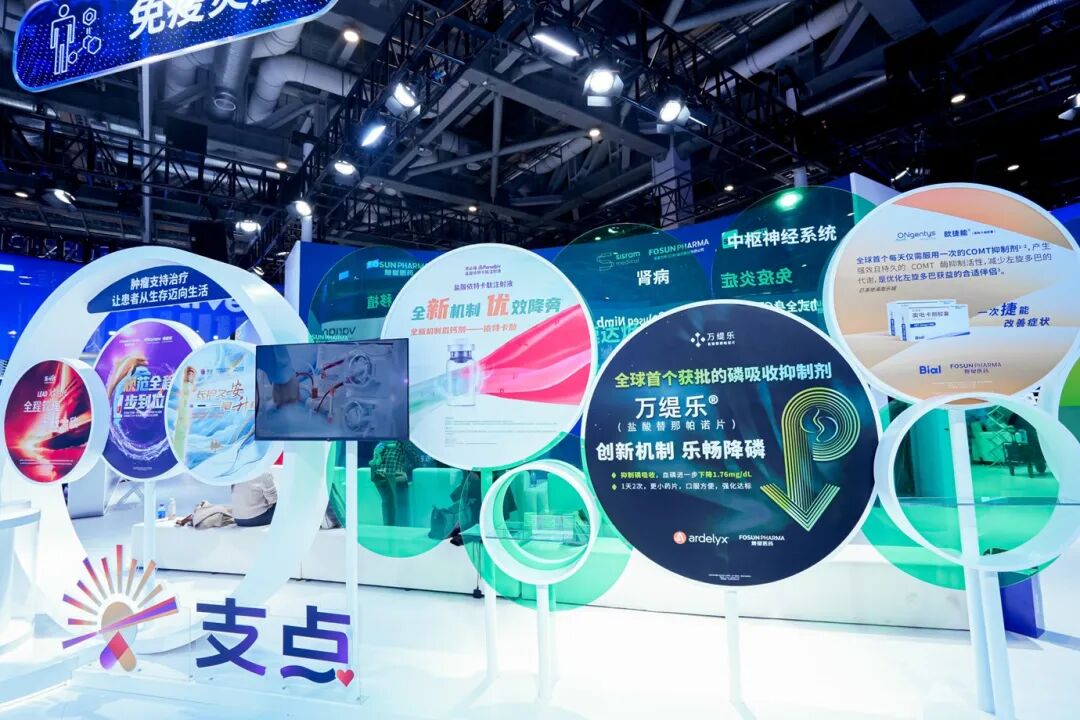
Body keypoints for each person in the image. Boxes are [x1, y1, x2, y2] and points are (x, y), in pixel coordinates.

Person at [370, 440, 420, 526]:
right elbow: (416, 460)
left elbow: (374, 462)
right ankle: (393, 526)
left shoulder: (381, 444)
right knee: (394, 503)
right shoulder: (403, 444)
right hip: (395, 476)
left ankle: (389, 526)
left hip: (380, 475)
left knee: (387, 502)